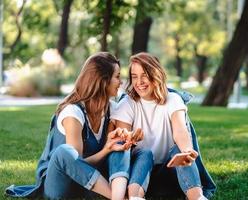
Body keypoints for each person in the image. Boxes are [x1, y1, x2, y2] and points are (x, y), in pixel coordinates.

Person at [5, 52, 130, 199]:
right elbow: (75, 164)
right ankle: (119, 197)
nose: (121, 82)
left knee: (120, 145)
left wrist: (117, 144)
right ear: (102, 80)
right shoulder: (73, 112)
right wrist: (105, 151)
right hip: (59, 184)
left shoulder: (111, 109)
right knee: (64, 152)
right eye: (117, 77)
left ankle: (121, 193)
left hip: (88, 185)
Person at [109, 52, 216, 200]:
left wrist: (187, 152)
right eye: (134, 76)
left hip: (171, 170)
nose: (139, 81)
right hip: (140, 173)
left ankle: (197, 197)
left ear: (156, 74)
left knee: (180, 150)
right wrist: (130, 140)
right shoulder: (127, 103)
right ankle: (135, 197)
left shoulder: (173, 99)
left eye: (144, 75)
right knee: (144, 153)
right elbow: (122, 142)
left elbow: (180, 130)